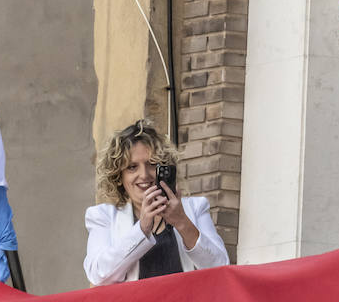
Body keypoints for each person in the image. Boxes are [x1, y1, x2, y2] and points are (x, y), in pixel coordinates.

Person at [83, 119, 229, 285]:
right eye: (132, 167)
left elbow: (221, 266)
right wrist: (142, 228)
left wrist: (182, 222)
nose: (144, 175)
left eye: (152, 164)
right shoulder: (103, 216)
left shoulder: (195, 208)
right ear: (118, 176)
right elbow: (98, 275)